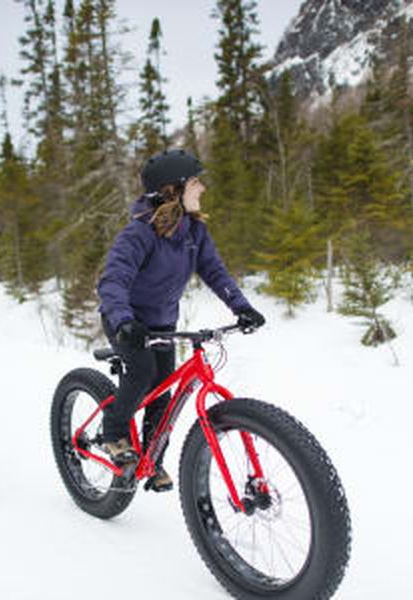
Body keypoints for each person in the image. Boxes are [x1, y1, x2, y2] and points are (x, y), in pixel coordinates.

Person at [97, 149, 265, 492]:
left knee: (163, 388)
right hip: (128, 321)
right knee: (143, 374)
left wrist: (241, 306)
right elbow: (112, 280)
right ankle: (113, 433)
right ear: (172, 190)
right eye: (195, 182)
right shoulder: (138, 234)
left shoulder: (194, 232)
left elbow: (214, 271)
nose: (202, 188)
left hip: (162, 323)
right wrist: (124, 321)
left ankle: (151, 458)